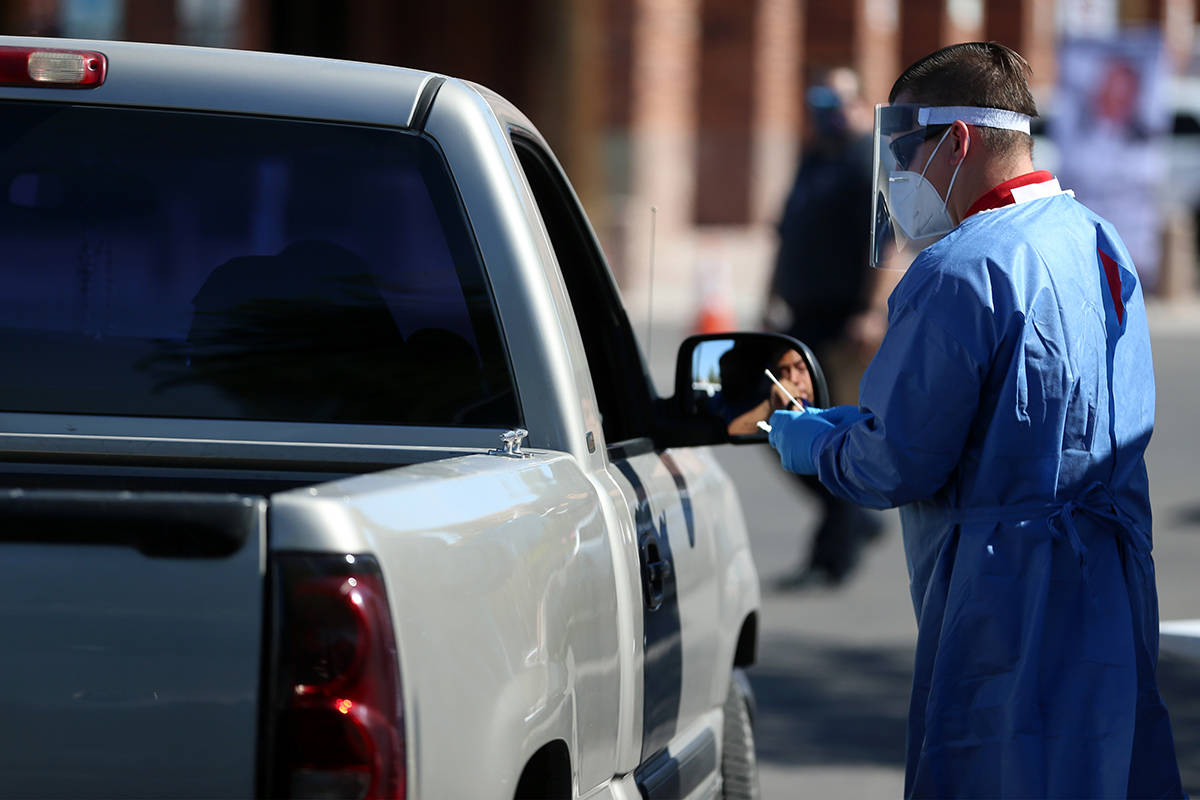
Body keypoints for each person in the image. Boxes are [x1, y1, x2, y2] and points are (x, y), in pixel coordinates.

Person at [767, 42, 1184, 798]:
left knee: (997, 767)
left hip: (1006, 600)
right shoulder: (1096, 237)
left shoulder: (961, 266)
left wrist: (818, 444)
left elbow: (899, 461)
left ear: (955, 141)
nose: (898, 174)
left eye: (905, 148)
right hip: (1113, 587)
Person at [766, 67, 885, 587]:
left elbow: (888, 245)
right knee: (776, 425)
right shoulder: (813, 159)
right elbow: (784, 234)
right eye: (818, 102)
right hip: (800, 317)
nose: (825, 113)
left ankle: (831, 559)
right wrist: (768, 299)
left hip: (845, 321)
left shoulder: (868, 162)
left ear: (859, 105)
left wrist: (874, 311)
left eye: (835, 102)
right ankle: (855, 519)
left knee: (835, 432)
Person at [725, 346, 814, 436]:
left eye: (801, 368)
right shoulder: (779, 412)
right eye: (784, 372)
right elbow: (733, 431)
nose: (793, 378)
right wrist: (771, 405)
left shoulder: (823, 408)